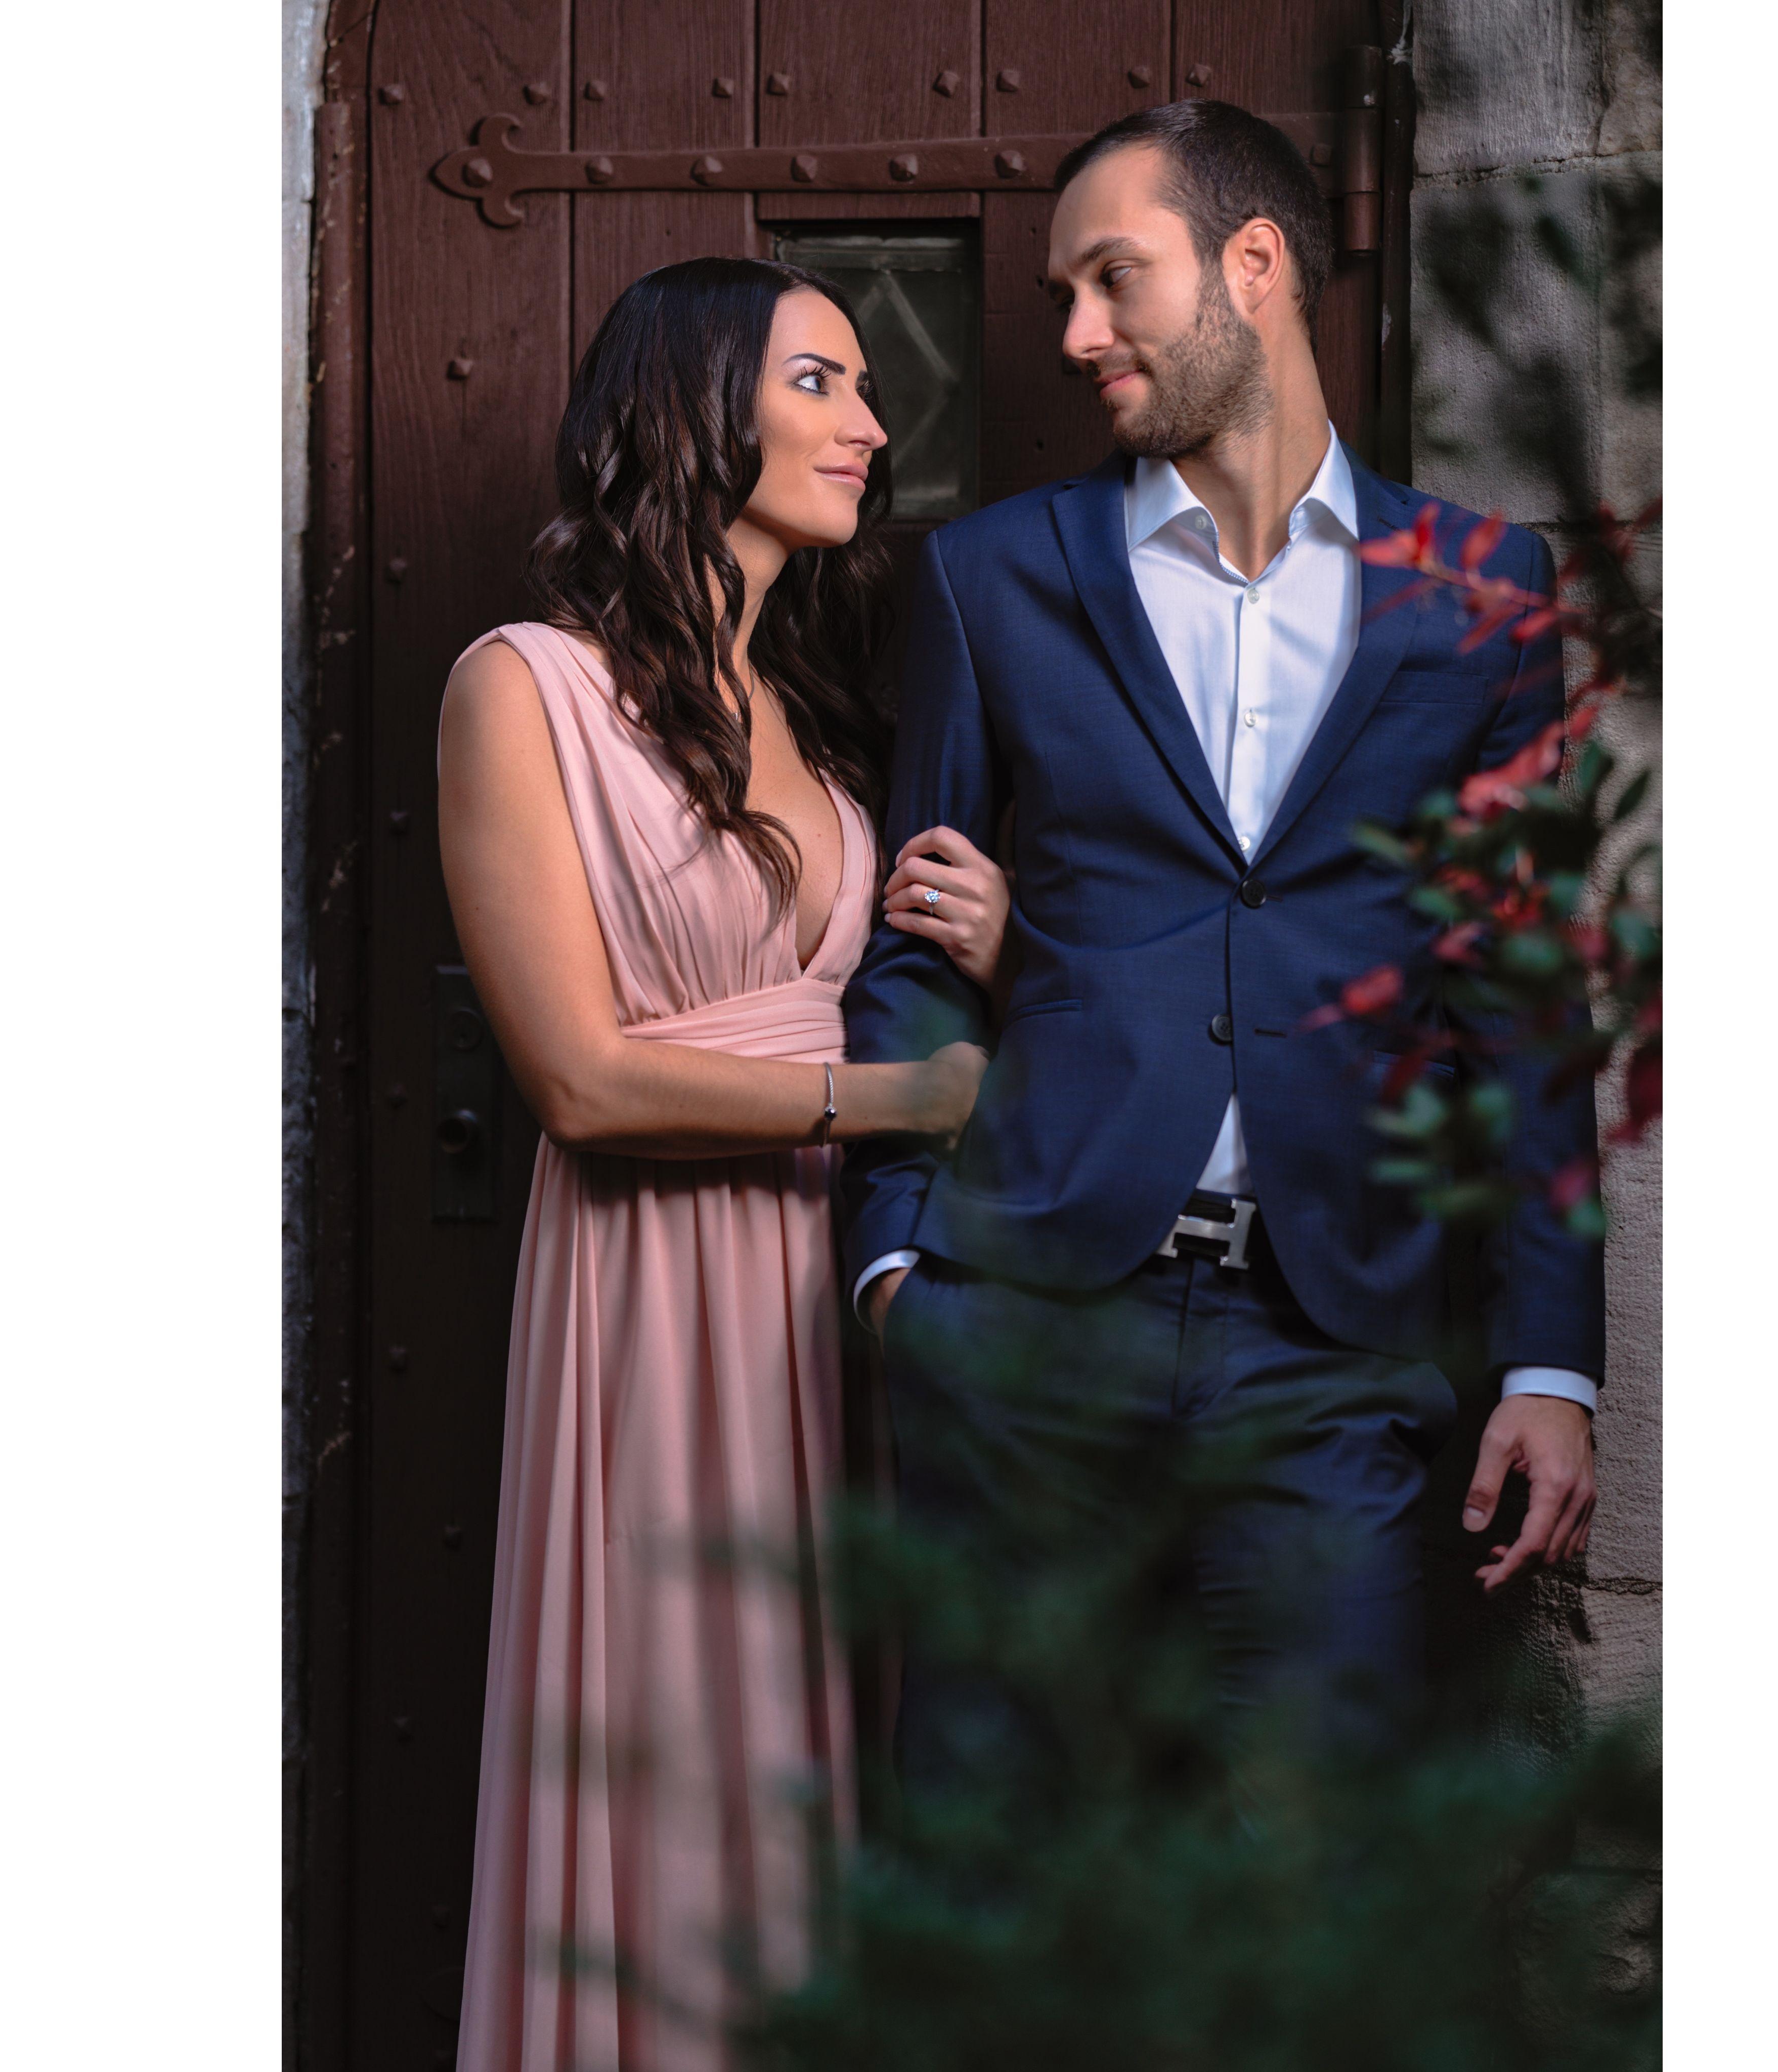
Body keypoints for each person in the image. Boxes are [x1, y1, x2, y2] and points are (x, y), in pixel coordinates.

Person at [842, 102, 1608, 1789]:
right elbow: (912, 938)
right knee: (998, 1844)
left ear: (1252, 263)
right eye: (1060, 295)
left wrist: (1552, 1361)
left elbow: (1524, 1002)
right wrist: (898, 1267)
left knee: (1310, 1863)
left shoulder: (1483, 594)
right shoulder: (993, 576)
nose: (1073, 335)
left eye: (1112, 279)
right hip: (1030, 1324)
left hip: (1334, 1348)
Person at [436, 257, 1008, 2072]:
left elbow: (890, 998)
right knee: (683, 1759)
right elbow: (582, 1082)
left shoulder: (821, 717)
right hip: (656, 1295)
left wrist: (995, 951)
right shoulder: (523, 688)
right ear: (694, 408)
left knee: (844, 1753)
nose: (872, 426)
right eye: (822, 382)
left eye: (868, 390)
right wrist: (899, 1105)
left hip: (833, 1300)